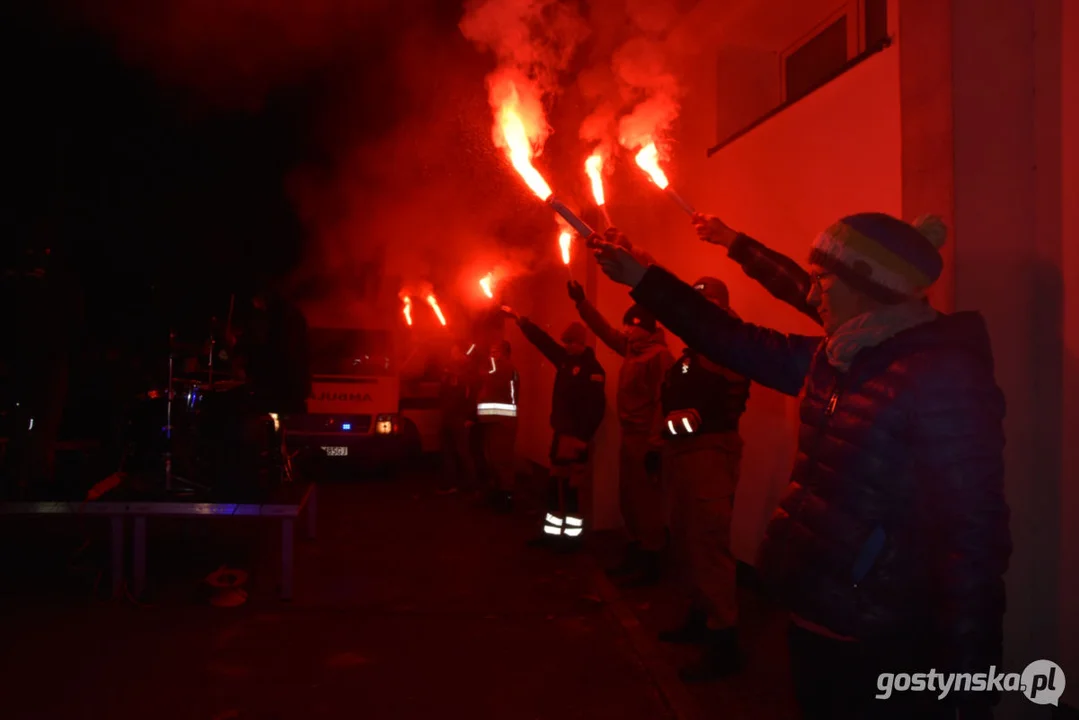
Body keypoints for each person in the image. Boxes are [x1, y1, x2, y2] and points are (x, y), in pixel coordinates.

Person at [591, 216, 1010, 719]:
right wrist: (643, 280)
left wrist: (968, 687)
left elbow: (974, 537)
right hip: (814, 617)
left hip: (879, 641)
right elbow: (730, 338)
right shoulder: (832, 360)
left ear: (868, 282)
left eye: (822, 280)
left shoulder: (941, 376)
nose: (811, 296)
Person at [656, 276, 751, 683]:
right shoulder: (691, 353)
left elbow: (714, 400)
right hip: (684, 455)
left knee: (708, 547)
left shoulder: (727, 342)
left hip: (710, 453)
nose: (695, 309)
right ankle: (700, 617)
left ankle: (723, 641)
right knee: (687, 541)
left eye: (703, 301)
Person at [569, 279, 673, 586]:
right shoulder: (631, 350)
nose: (626, 331)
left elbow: (661, 403)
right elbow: (603, 330)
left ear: (646, 327)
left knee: (645, 501)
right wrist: (582, 304)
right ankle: (637, 550)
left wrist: (655, 445)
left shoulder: (658, 356)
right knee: (628, 497)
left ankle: (652, 556)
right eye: (626, 326)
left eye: (632, 326)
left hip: (645, 440)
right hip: (629, 437)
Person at [501, 307, 606, 549]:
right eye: (565, 342)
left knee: (571, 490)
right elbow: (544, 343)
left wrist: (582, 438)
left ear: (581, 342)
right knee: (554, 487)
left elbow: (596, 409)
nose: (566, 346)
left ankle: (571, 540)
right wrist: (522, 321)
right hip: (561, 436)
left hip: (576, 439)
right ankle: (551, 535)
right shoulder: (566, 361)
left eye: (570, 342)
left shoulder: (593, 370)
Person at [475, 339, 520, 512]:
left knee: (502, 461)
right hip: (494, 421)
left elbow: (486, 377)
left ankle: (506, 498)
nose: (491, 354)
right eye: (491, 350)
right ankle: (499, 494)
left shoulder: (504, 368)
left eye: (495, 351)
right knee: (494, 460)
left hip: (502, 422)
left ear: (505, 353)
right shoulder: (499, 368)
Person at [437, 341, 479, 494]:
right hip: (447, 416)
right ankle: (451, 484)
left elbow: (474, 396)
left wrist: (471, 417)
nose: (452, 355)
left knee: (463, 452)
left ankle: (472, 486)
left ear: (462, 353)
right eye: (451, 352)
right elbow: (443, 392)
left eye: (455, 352)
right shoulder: (448, 371)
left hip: (460, 417)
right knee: (447, 451)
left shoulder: (469, 372)